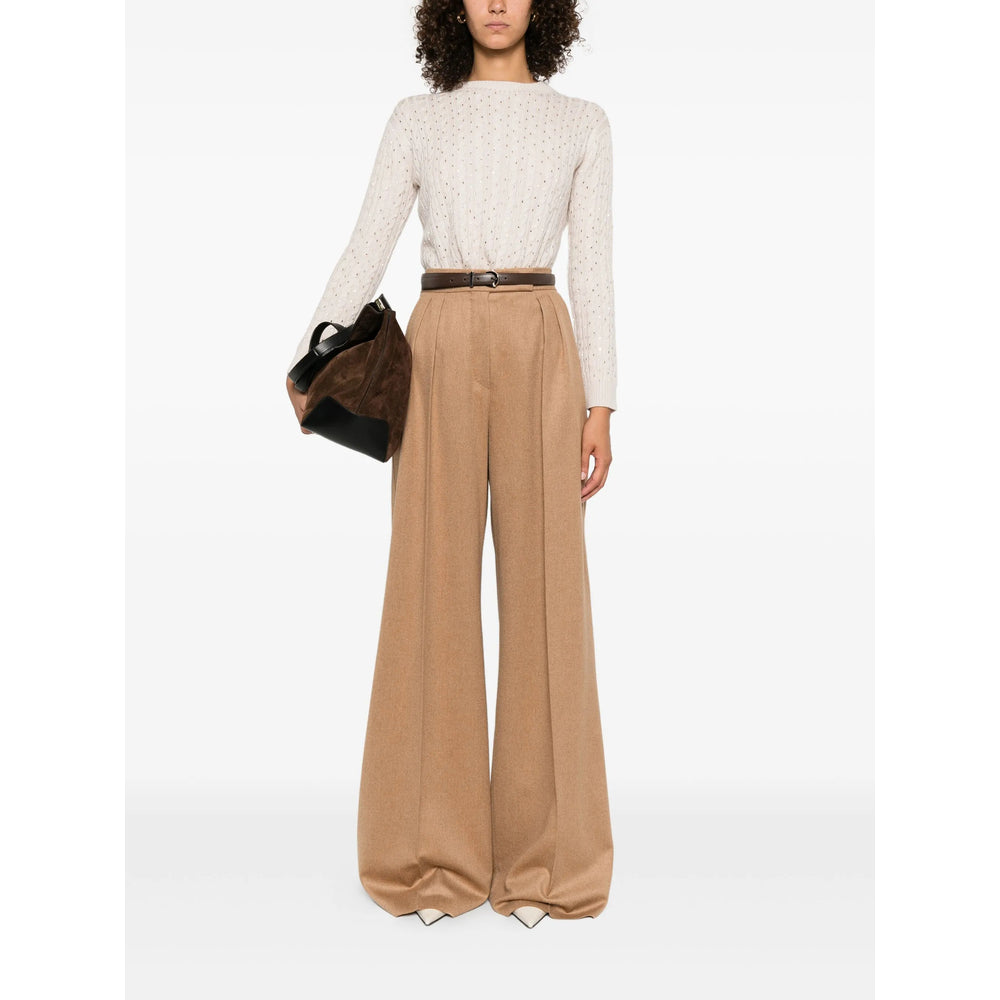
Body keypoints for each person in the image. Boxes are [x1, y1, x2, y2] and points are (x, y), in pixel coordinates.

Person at [285, 0, 617, 929]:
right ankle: (433, 856)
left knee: (548, 595)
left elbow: (594, 267)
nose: (497, 1)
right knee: (429, 588)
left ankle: (545, 861)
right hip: (437, 340)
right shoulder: (417, 118)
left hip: (543, 337)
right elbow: (370, 240)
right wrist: (311, 355)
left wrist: (602, 401)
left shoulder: (582, 123)